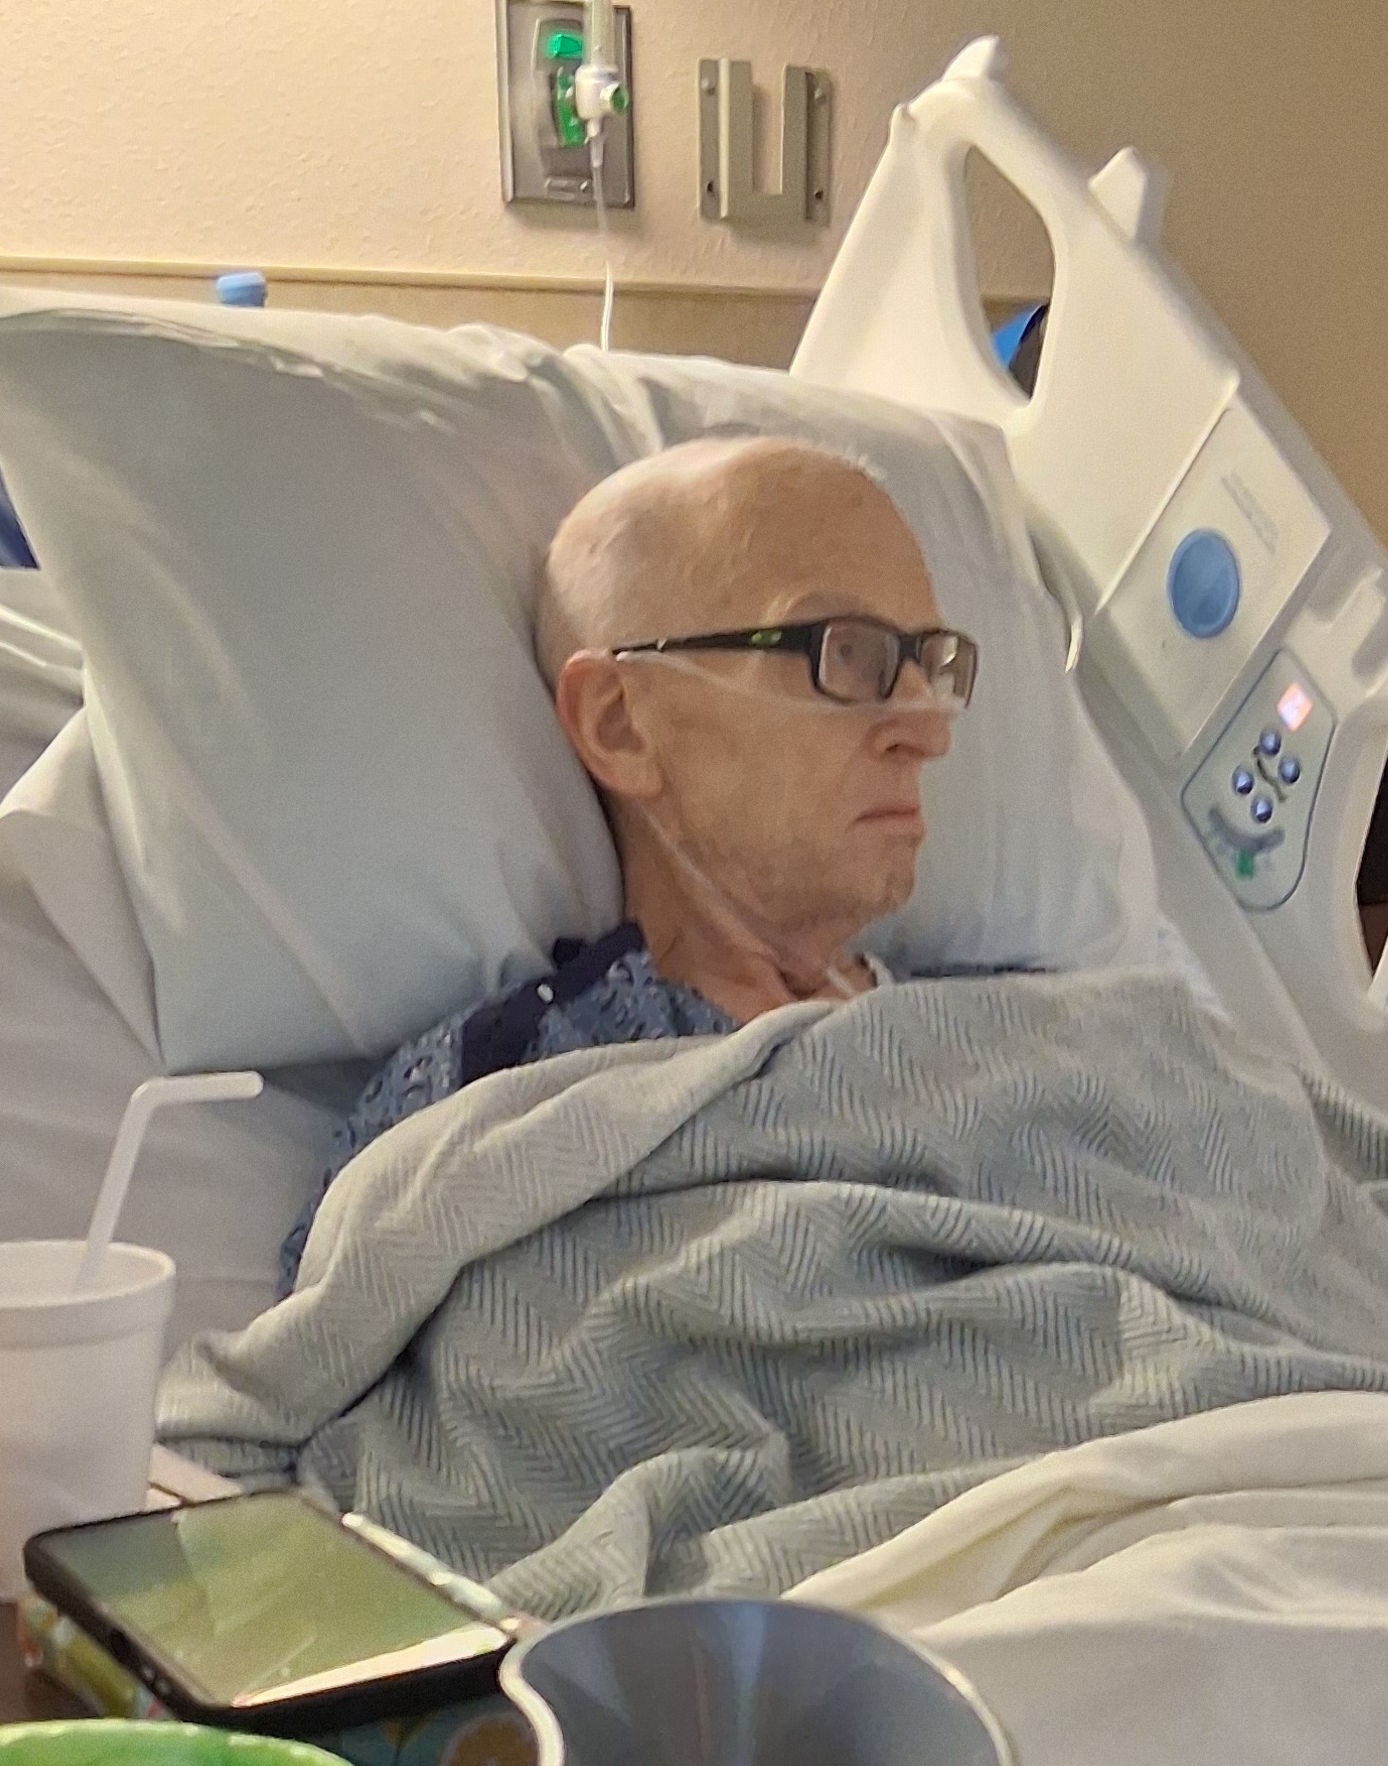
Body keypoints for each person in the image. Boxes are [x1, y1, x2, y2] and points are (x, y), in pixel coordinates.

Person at [282, 436, 978, 1272]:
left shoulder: (1003, 1030)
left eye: (931, 663)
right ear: (621, 725)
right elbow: (340, 1322)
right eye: (848, 653)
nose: (929, 731)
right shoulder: (501, 1096)